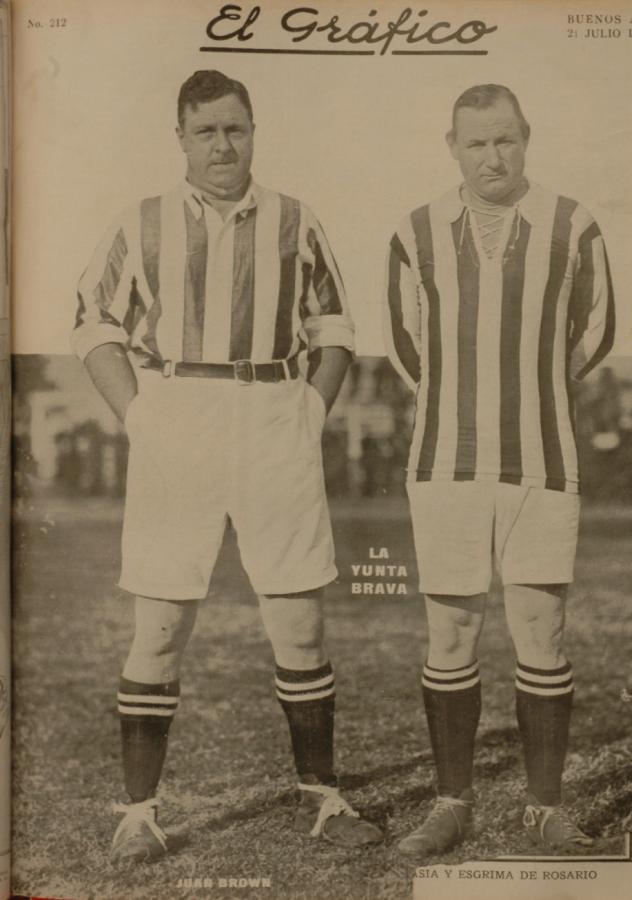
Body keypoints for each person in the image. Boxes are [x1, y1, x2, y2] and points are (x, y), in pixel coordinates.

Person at [73, 70, 383, 863]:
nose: (223, 145)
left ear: (254, 132)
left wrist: (308, 412)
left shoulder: (294, 220)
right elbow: (94, 325)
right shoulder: (140, 223)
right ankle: (139, 813)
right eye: (207, 130)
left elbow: (338, 327)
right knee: (162, 623)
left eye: (236, 129)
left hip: (274, 411)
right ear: (180, 136)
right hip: (179, 411)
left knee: (299, 620)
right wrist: (141, 415)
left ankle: (323, 796)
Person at [383, 84, 615, 856]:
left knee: (541, 627)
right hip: (446, 462)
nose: (493, 156)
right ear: (452, 145)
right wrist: (468, 400)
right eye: (477, 142)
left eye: (506, 140)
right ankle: (452, 805)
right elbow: (408, 347)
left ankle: (544, 808)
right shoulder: (414, 231)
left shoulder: (573, 223)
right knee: (450, 630)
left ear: (527, 138)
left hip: (543, 460)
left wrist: (532, 387)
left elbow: (594, 331)